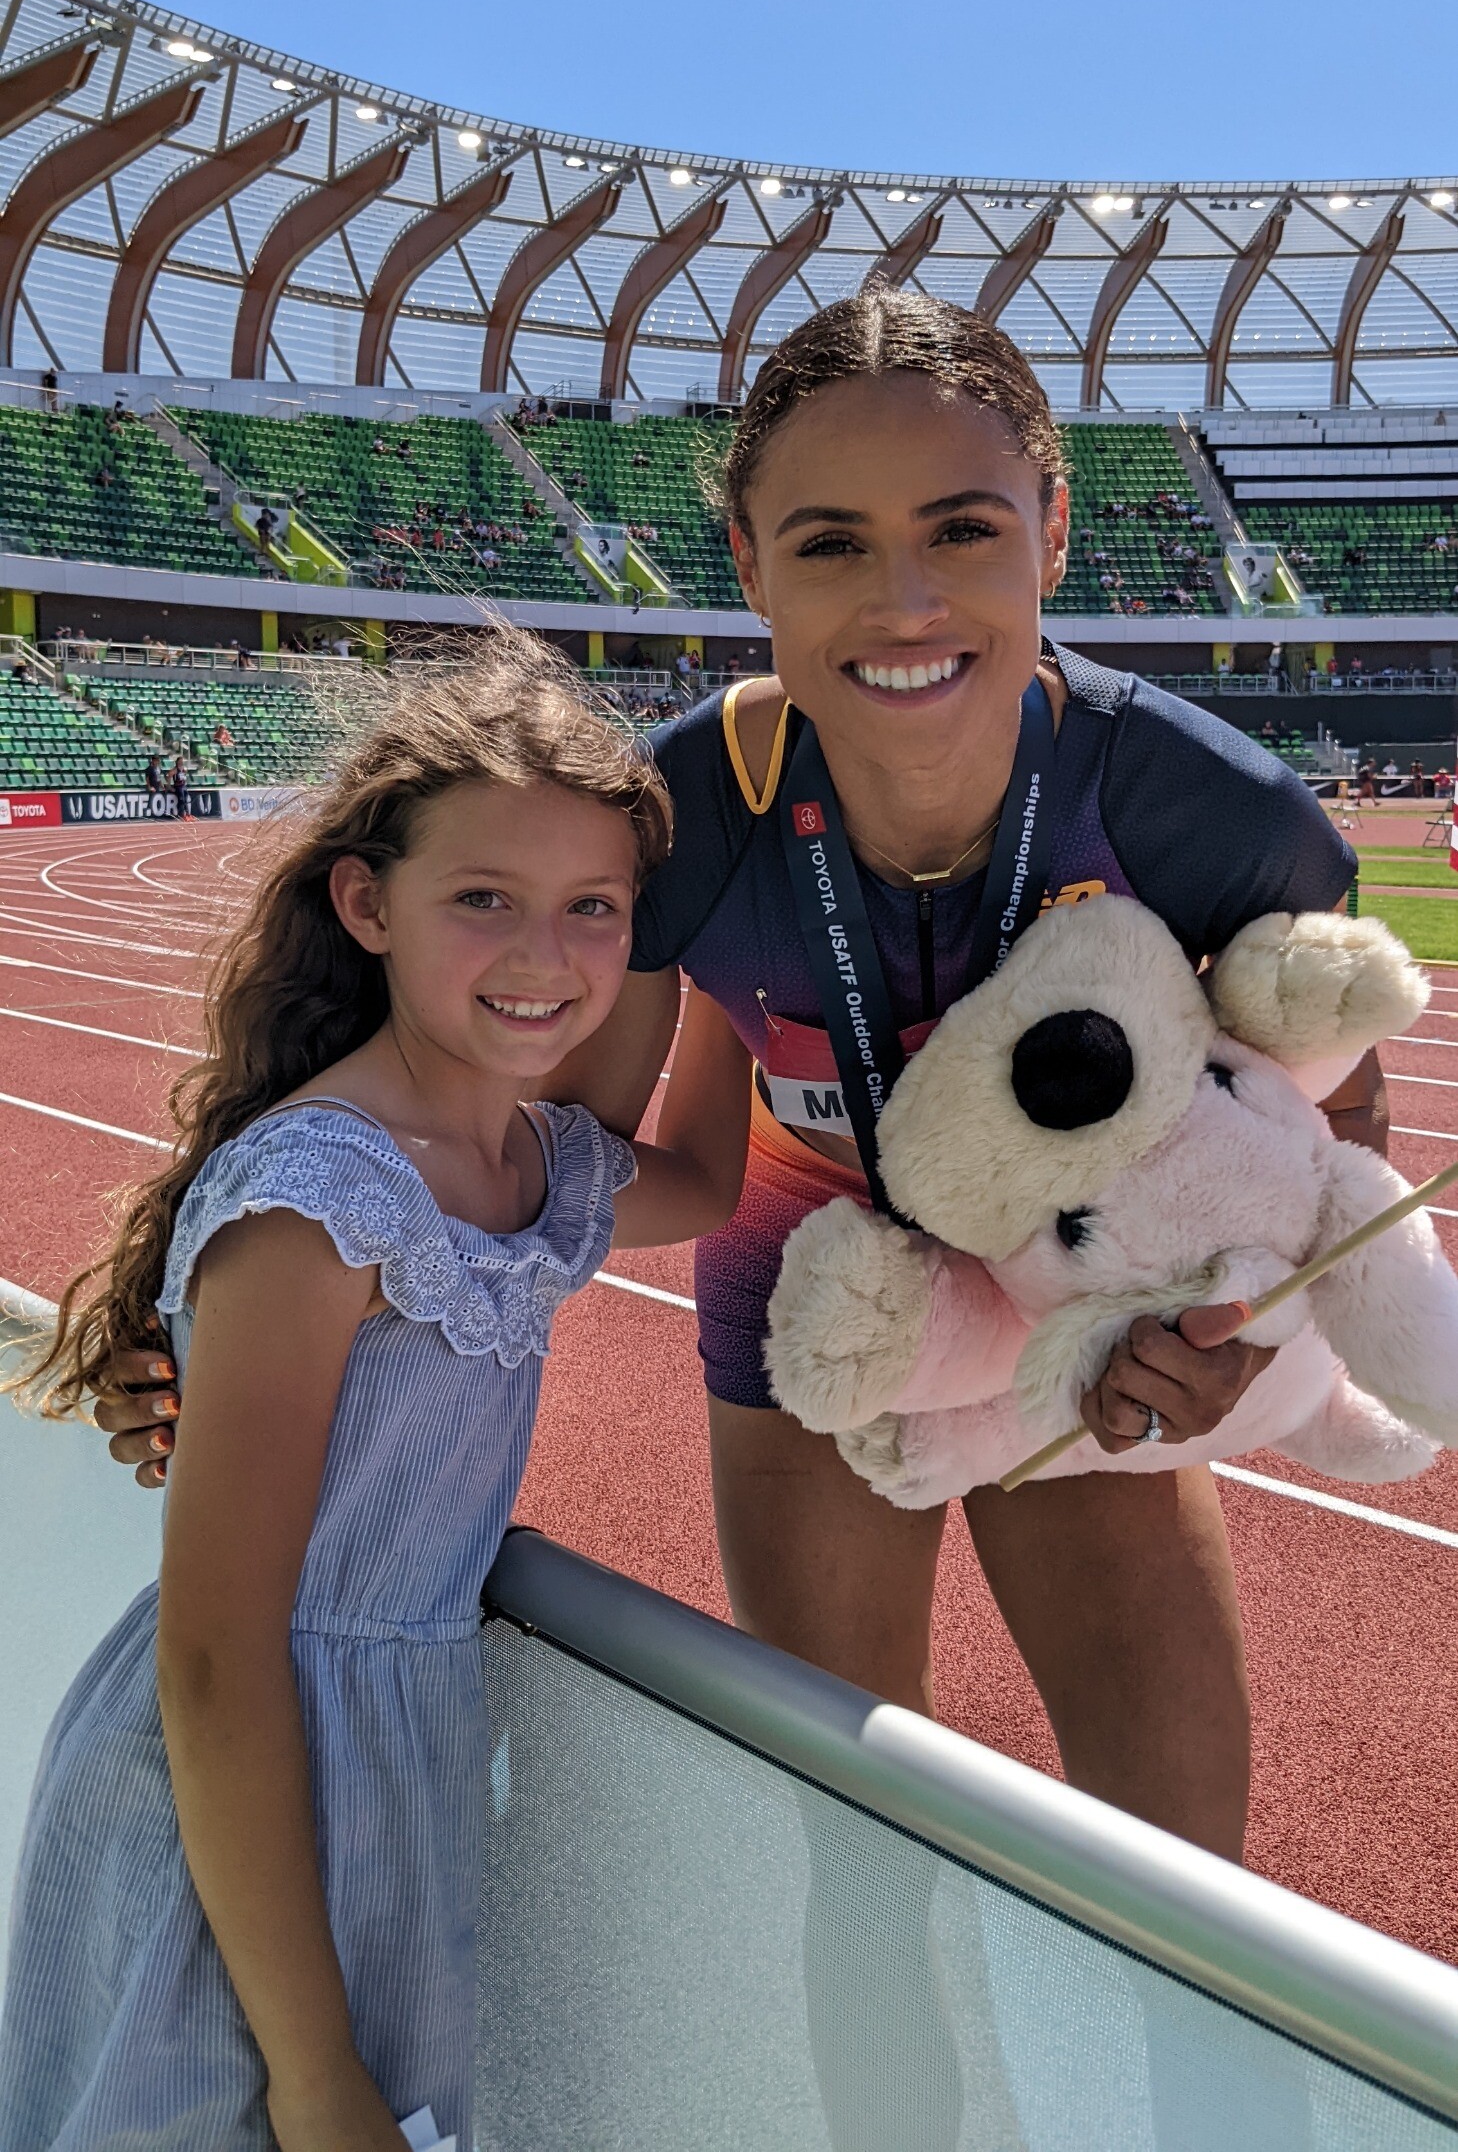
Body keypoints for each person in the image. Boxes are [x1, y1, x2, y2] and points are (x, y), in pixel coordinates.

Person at [94, 293, 1375, 1876]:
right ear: (749, 563)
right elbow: (542, 1152)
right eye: (830, 543)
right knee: (856, 1866)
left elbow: (1333, 1114)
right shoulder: (684, 811)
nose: (903, 601)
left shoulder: (1203, 808)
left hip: (1084, 1312)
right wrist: (229, 1339)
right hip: (803, 1294)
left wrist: (1233, 1333)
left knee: (1183, 1876)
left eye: (963, 529)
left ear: (1050, 532)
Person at [1, 638, 738, 2152]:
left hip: (398, 1765)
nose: (545, 958)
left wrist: (739, 946)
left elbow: (707, 1185)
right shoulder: (322, 1202)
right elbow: (219, 1656)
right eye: (484, 900)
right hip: (235, 1795)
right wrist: (315, 2065)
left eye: (594, 910)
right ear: (367, 905)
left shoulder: (537, 1164)